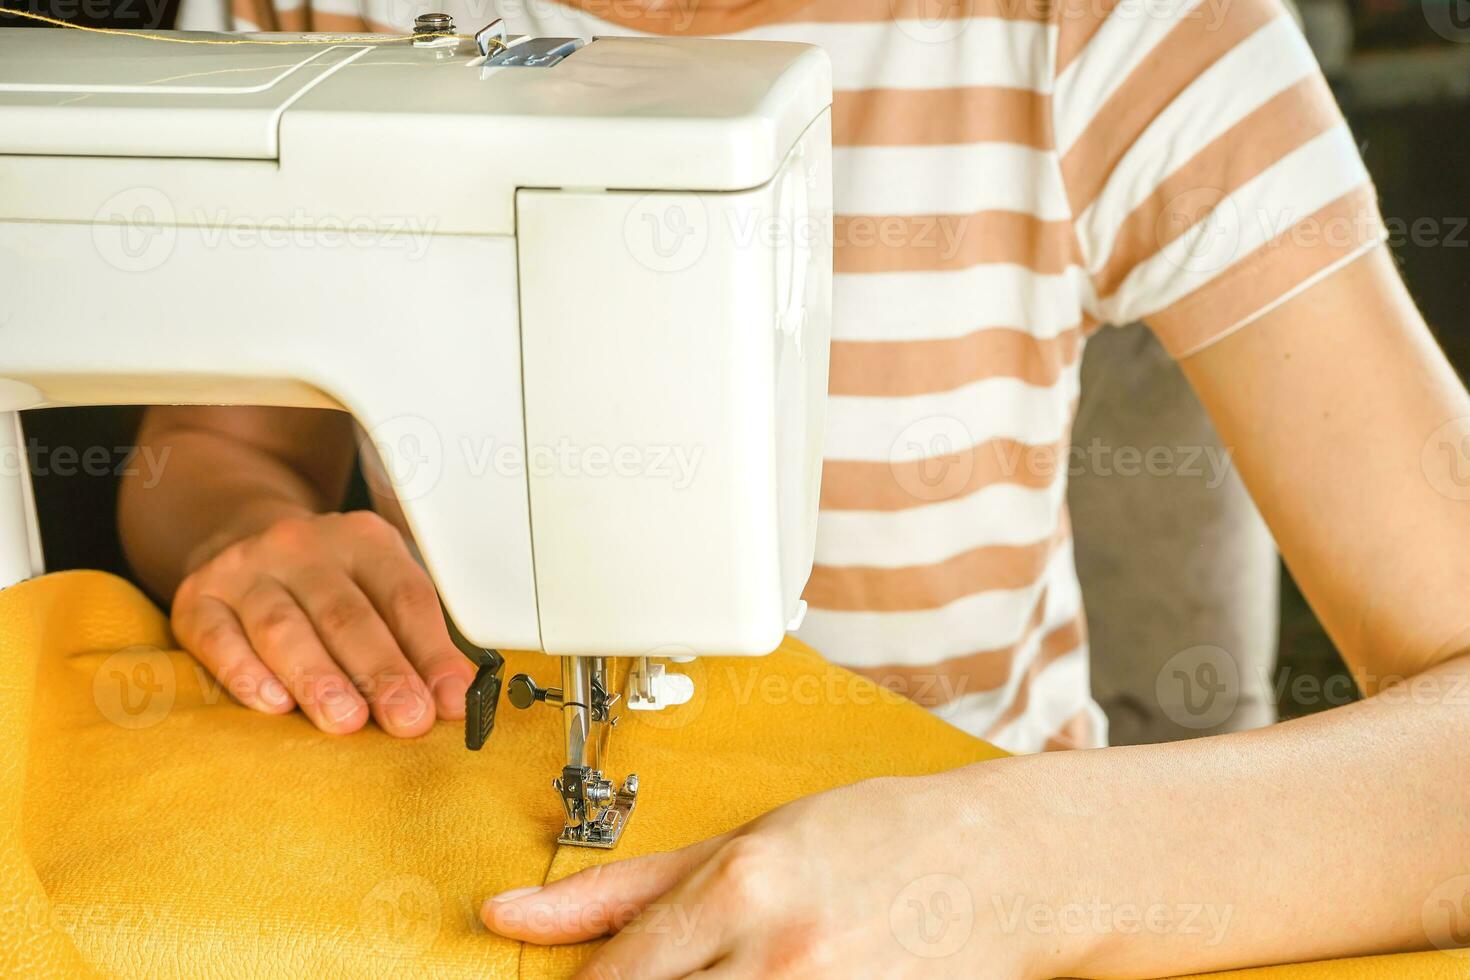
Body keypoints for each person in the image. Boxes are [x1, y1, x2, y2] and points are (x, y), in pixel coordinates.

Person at [124, 0, 1470, 973]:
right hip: (433, 834)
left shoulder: (1116, 31)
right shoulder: (320, 17)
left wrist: (1001, 870)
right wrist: (251, 532)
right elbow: (214, 445)